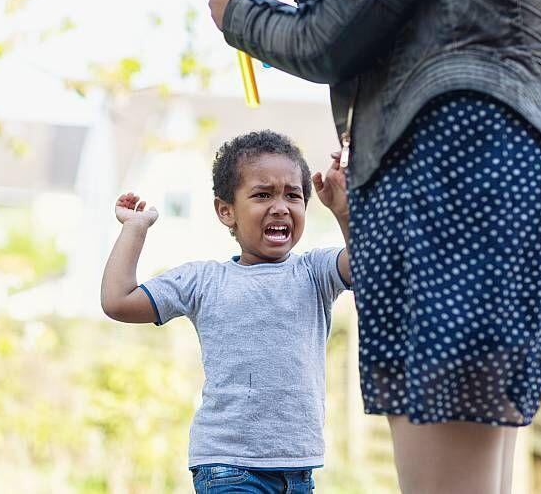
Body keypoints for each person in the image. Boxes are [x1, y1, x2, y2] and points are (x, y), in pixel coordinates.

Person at [208, 0, 541, 492]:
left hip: (456, 173)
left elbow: (334, 38)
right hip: (518, 165)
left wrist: (237, 12)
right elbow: (414, 14)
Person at [100, 130, 352, 493]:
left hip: (298, 470)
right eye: (263, 194)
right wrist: (135, 229)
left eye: (292, 196)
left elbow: (366, 268)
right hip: (229, 467)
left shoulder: (315, 271)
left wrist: (344, 211)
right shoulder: (204, 280)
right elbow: (118, 301)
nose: (280, 207)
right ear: (226, 211)